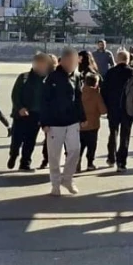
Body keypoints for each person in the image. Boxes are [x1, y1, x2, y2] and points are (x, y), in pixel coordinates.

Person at [41, 48, 85, 196]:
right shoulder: (52, 77)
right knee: (54, 155)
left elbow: (78, 98)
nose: (74, 64)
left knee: (75, 150)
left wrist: (82, 117)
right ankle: (55, 184)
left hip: (72, 121)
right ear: (64, 60)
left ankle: (67, 179)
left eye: (76, 61)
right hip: (54, 123)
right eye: (71, 61)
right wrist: (44, 122)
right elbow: (44, 101)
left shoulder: (76, 76)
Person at [101, 49, 133, 172]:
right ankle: (121, 162)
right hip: (129, 108)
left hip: (113, 108)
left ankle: (111, 158)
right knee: (125, 135)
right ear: (128, 59)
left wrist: (106, 105)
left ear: (117, 59)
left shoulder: (110, 72)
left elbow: (103, 89)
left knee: (113, 132)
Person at [9, 53, 51, 171]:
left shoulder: (49, 80)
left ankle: (25, 162)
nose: (41, 67)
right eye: (39, 64)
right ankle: (13, 154)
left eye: (44, 64)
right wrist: (20, 108)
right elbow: (15, 95)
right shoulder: (24, 77)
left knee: (30, 139)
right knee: (17, 138)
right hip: (22, 114)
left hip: (37, 115)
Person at [79, 74, 108, 172]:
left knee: (80, 145)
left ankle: (77, 161)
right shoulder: (96, 95)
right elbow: (103, 110)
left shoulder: (79, 93)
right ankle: (90, 164)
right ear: (96, 83)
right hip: (93, 125)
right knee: (91, 146)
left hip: (80, 125)